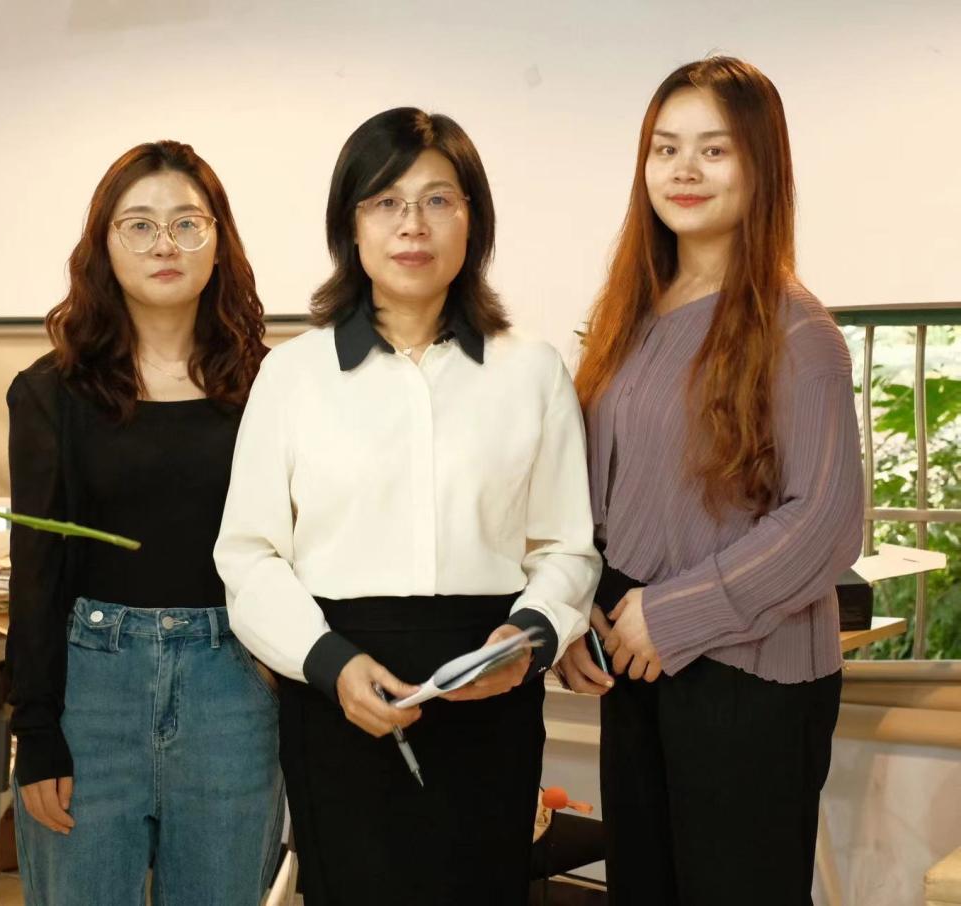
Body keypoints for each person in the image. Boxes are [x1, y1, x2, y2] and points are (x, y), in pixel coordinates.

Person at [214, 107, 600, 906]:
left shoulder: (531, 371)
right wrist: (328, 663)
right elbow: (249, 556)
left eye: (438, 200)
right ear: (350, 226)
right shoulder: (293, 375)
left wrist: (530, 639)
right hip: (337, 684)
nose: (412, 224)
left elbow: (566, 547)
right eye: (385, 201)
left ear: (473, 222)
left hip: (491, 684)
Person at [556, 57, 864, 905]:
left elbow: (826, 523)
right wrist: (580, 609)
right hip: (639, 664)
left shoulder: (797, 331)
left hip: (747, 682)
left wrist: (672, 613)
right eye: (665, 148)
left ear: (762, 164)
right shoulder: (631, 314)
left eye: (714, 149)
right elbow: (606, 492)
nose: (683, 170)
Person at [7, 140, 283, 905]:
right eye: (139, 225)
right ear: (104, 245)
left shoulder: (273, 386)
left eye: (187, 223)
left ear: (219, 241)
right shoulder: (50, 393)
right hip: (91, 693)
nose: (165, 244)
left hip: (233, 691)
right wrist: (36, 729)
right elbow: (37, 570)